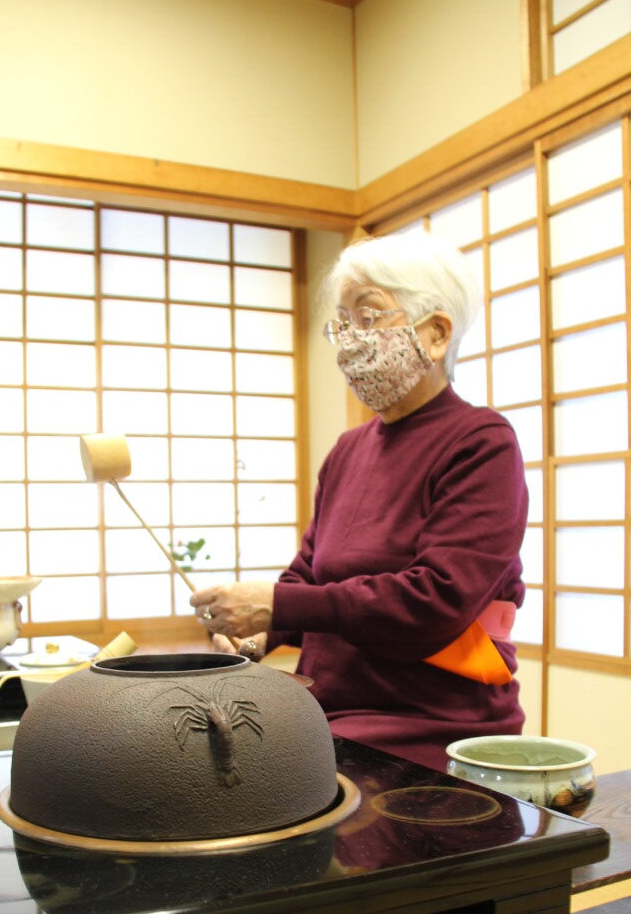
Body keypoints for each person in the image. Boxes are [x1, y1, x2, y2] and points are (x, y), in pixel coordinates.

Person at [190, 229, 528, 774]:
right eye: (341, 322)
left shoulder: (481, 443)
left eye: (367, 317)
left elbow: (436, 601)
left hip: (435, 725)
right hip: (333, 713)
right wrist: (259, 632)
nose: (349, 340)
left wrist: (277, 605)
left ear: (436, 333)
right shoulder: (348, 451)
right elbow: (307, 575)